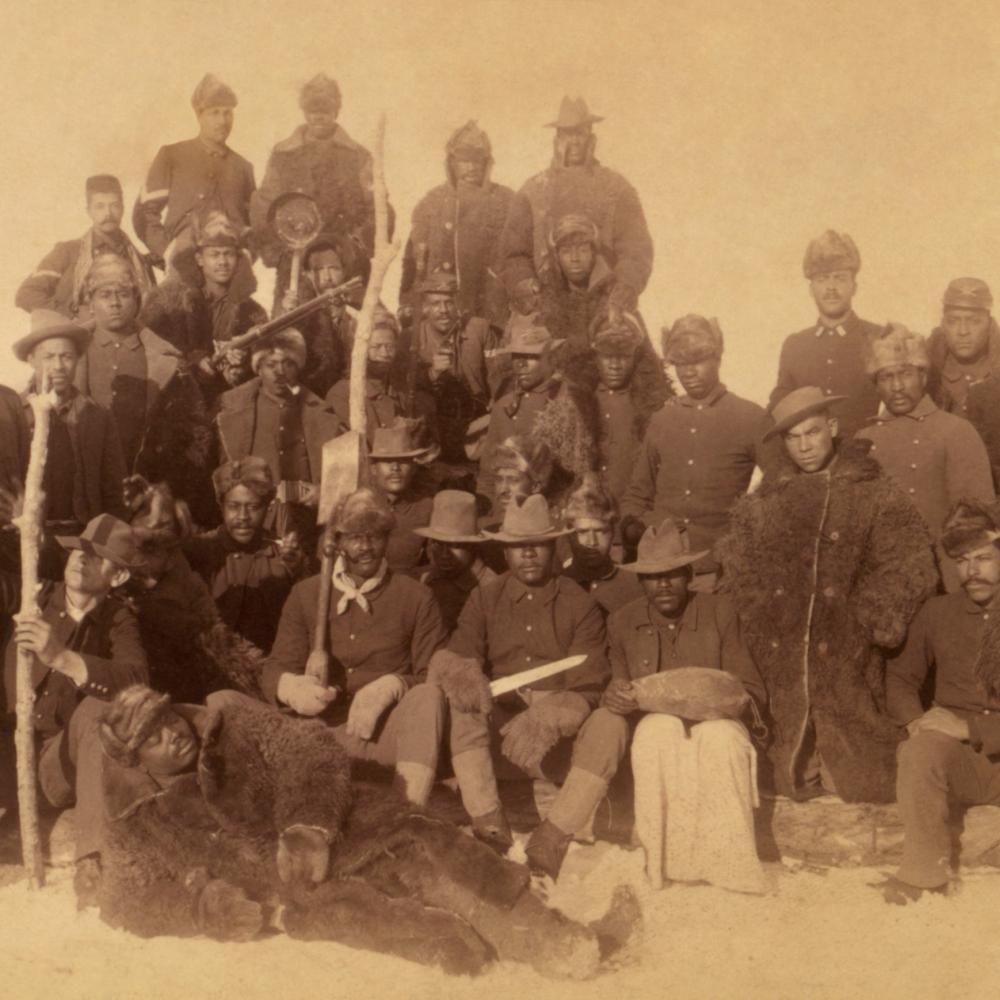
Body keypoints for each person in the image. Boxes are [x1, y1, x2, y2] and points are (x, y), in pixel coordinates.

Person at [94, 684, 637, 978]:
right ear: (134, 757)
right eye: (154, 738)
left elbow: (310, 750)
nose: (172, 737)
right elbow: (123, 901)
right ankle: (491, 949)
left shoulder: (229, 723)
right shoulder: (137, 816)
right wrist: (201, 908)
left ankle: (560, 940)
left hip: (352, 833)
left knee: (440, 856)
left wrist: (307, 825)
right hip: (297, 899)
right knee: (428, 935)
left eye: (167, 720)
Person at [718, 386, 939, 802]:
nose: (804, 446)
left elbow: (909, 561)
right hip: (782, 649)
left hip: (848, 647)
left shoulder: (873, 491)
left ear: (832, 428)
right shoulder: (767, 501)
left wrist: (869, 616)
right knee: (786, 757)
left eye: (813, 433)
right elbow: (740, 567)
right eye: (793, 437)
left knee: (859, 769)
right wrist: (763, 616)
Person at [525, 518, 766, 891]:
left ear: (688, 575)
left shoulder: (720, 612)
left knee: (720, 739)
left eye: (672, 574)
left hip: (716, 718)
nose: (664, 584)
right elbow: (615, 685)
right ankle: (661, 864)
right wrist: (613, 696)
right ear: (640, 581)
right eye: (653, 576)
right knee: (656, 731)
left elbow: (747, 688)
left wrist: (714, 703)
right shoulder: (624, 622)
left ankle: (730, 864)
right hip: (655, 725)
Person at [423, 494, 609, 850]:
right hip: (500, 727)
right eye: (518, 547)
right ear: (504, 552)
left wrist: (555, 711)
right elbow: (462, 653)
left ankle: (555, 833)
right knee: (464, 703)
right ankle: (488, 820)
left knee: (601, 723)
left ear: (554, 546)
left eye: (538, 545)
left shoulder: (579, 603)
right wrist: (464, 676)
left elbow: (592, 679)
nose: (528, 554)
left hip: (556, 736)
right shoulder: (484, 598)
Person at [262, 488, 447, 806]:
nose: (365, 547)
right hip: (319, 737)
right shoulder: (306, 595)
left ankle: (406, 813)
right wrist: (291, 688)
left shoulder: (415, 597)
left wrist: (394, 685)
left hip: (383, 738)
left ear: (387, 538)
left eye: (374, 536)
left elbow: (434, 676)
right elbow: (275, 668)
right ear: (336, 542)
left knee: (428, 696)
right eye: (354, 537)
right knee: (223, 704)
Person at [0, 514, 146, 884]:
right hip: (6, 754)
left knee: (101, 712)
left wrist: (63, 658)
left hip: (57, 764)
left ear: (118, 577)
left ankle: (91, 861)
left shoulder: (118, 621)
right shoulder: (33, 595)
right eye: (78, 550)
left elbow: (137, 681)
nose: (82, 559)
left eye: (97, 556)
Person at [883, 499, 1000, 903]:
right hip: (962, 761)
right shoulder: (938, 612)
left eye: (984, 558)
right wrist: (916, 722)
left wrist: (970, 728)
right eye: (963, 560)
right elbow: (899, 678)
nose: (973, 571)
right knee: (919, 750)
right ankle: (923, 874)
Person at [622, 315, 766, 588]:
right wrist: (637, 528)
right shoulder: (662, 419)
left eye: (698, 361)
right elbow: (637, 493)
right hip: (659, 566)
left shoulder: (750, 417)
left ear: (718, 359)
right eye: (681, 363)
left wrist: (743, 539)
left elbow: (779, 485)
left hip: (716, 567)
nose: (689, 372)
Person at [857, 324, 994, 591]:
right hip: (885, 584)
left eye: (905, 374)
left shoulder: (955, 431)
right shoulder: (864, 440)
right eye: (886, 377)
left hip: (946, 581)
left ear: (922, 375)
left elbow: (978, 523)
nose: (897, 386)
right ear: (875, 383)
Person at [498, 97, 653, 324]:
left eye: (579, 134)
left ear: (591, 138)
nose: (574, 142)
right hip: (545, 305)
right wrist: (526, 287)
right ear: (556, 139)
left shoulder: (617, 188)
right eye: (567, 134)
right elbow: (513, 254)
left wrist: (623, 290)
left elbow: (636, 251)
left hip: (605, 304)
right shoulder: (532, 191)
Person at [251, 73, 390, 310]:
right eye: (312, 109)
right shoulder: (284, 155)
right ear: (304, 112)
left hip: (345, 263)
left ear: (336, 111)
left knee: (360, 331)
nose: (319, 116)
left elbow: (378, 208)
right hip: (297, 261)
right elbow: (264, 205)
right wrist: (278, 250)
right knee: (291, 331)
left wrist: (355, 248)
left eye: (326, 109)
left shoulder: (358, 156)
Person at [121, 477, 264, 705]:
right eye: (148, 528)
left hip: (186, 677)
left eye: (164, 526)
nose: (157, 533)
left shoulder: (182, 571)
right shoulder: (116, 573)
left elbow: (213, 634)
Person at [6, 312, 127, 558]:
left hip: (82, 540)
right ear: (31, 359)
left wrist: (101, 548)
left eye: (67, 356)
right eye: (48, 357)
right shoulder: (13, 414)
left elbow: (114, 490)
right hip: (23, 541)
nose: (59, 366)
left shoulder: (97, 417)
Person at [216, 328, 340, 544]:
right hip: (255, 522)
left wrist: (323, 492)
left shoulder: (318, 411)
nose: (280, 372)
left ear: (298, 368)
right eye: (271, 365)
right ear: (258, 369)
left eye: (288, 364)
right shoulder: (234, 410)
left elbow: (340, 471)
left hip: (306, 521)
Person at [134, 74, 255, 286]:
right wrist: (168, 251)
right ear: (199, 116)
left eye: (228, 113)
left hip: (230, 270)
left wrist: (246, 255)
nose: (222, 121)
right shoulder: (172, 156)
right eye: (214, 113)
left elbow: (254, 224)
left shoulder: (243, 167)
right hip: (183, 266)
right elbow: (144, 214)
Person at [769, 230, 883, 440]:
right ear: (811, 289)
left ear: (854, 286)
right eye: (822, 279)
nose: (831, 288)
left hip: (866, 459)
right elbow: (778, 408)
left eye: (839, 278)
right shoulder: (796, 345)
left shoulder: (877, 338)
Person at [185, 458, 305, 653]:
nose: (243, 517)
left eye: (253, 507)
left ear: (267, 508)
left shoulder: (280, 554)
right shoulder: (200, 550)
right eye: (233, 506)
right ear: (221, 505)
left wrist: (297, 570)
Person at [399, 120, 512, 325]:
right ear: (452, 163)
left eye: (478, 160)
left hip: (490, 304)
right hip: (441, 308)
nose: (472, 167)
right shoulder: (431, 202)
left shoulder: (505, 200)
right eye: (464, 160)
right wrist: (406, 302)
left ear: (487, 163)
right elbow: (412, 261)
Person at [73, 255, 179, 472]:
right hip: (84, 474)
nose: (115, 303)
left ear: (137, 301)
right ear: (91, 304)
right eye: (105, 295)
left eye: (123, 294)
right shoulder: (70, 352)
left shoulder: (163, 355)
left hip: (145, 474)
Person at [139, 209, 267, 378]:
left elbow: (264, 361)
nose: (222, 262)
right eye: (214, 254)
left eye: (228, 254)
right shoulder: (170, 303)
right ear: (199, 259)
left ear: (237, 259)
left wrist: (241, 360)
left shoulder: (252, 312)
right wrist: (193, 359)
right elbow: (151, 346)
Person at [16, 174, 154, 318]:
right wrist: (72, 312)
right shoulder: (67, 252)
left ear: (123, 209)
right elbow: (26, 294)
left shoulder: (137, 261)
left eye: (114, 205)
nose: (108, 213)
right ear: (89, 211)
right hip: (79, 333)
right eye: (99, 206)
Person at [475, 317, 573, 501]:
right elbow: (488, 474)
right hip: (506, 511)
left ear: (550, 358)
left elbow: (576, 472)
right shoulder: (503, 406)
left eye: (531, 356)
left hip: (549, 510)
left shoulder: (567, 402)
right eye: (516, 356)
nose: (521, 364)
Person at [407, 270, 493, 462]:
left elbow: (497, 373)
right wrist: (431, 373)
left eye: (449, 302)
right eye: (435, 303)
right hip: (436, 425)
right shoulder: (413, 338)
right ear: (425, 308)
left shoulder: (479, 329)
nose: (444, 309)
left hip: (477, 418)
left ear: (457, 305)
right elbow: (404, 385)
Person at [586, 314, 671, 505]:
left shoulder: (651, 406)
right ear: (595, 356)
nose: (615, 365)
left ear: (635, 357)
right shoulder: (581, 401)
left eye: (623, 357)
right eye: (607, 356)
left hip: (633, 513)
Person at [325, 305, 437, 446]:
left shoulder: (402, 390)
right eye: (376, 347)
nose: (384, 354)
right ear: (359, 349)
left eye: (390, 346)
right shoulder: (341, 394)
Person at [279, 236, 360, 397]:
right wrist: (287, 317)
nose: (327, 277)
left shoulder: (358, 315)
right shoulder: (300, 316)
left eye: (334, 268)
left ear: (344, 270)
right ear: (308, 274)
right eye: (318, 270)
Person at [414, 490, 497, 634]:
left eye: (455, 545)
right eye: (438, 544)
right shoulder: (425, 579)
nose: (445, 554)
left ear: (473, 545)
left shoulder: (492, 588)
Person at [560, 473, 641, 616]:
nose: (592, 542)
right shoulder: (557, 586)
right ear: (569, 535)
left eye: (600, 531)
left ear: (612, 532)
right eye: (583, 532)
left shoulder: (634, 586)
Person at [368, 420, 435, 576]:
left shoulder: (426, 507)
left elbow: (437, 562)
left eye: (403, 461)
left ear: (413, 468)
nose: (395, 468)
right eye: (387, 462)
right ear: (373, 469)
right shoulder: (357, 506)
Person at [927, 277, 1000, 418]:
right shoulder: (924, 374)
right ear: (943, 325)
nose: (963, 331)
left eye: (974, 321)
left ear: (989, 324)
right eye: (953, 321)